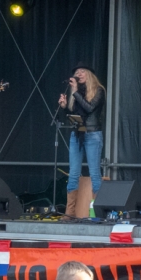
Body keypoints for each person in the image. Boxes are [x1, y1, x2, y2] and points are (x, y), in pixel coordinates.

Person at [58, 63, 105, 220]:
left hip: (92, 135)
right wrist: (65, 107)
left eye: (82, 71)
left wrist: (76, 91)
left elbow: (89, 108)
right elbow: (75, 114)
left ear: (89, 75)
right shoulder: (76, 93)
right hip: (77, 135)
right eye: (76, 72)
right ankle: (70, 212)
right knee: (73, 173)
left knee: (94, 173)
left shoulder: (98, 91)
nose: (78, 74)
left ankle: (97, 212)